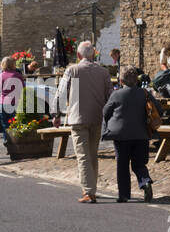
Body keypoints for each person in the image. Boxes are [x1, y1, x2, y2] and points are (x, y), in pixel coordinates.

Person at [57, 41, 113, 203]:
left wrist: (56, 114)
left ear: (78, 55)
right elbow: (110, 95)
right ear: (93, 54)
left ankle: (89, 191)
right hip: (97, 117)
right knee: (92, 155)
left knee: (83, 155)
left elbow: (61, 93)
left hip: (77, 117)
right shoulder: (103, 72)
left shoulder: (73, 70)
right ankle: (91, 188)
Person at [101, 66, 157, 202]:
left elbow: (105, 112)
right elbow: (158, 108)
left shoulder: (116, 94)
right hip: (142, 134)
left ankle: (124, 195)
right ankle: (145, 182)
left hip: (121, 136)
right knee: (139, 164)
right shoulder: (144, 93)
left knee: (122, 165)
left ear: (121, 81)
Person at [0, 56, 25, 144]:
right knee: (15, 125)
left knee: (5, 126)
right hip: (14, 103)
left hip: (1, 104)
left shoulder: (0, 76)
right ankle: (15, 144)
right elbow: (23, 90)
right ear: (13, 64)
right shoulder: (18, 76)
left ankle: (7, 142)